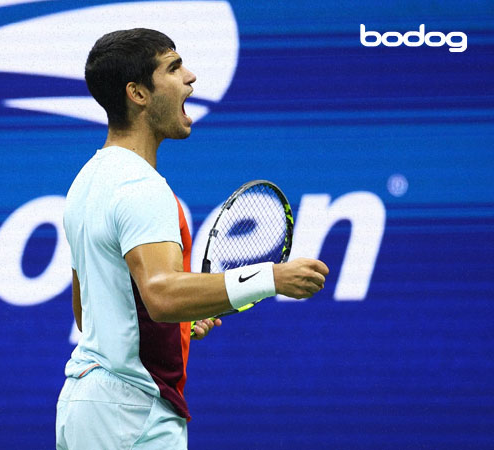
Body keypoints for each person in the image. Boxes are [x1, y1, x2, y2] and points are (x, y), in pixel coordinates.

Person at [56, 28, 329, 449]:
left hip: (87, 405)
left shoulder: (87, 182)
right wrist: (271, 278)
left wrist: (177, 325)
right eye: (174, 67)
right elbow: (162, 295)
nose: (191, 77)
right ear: (138, 93)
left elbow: (89, 313)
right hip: (133, 414)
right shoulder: (140, 186)